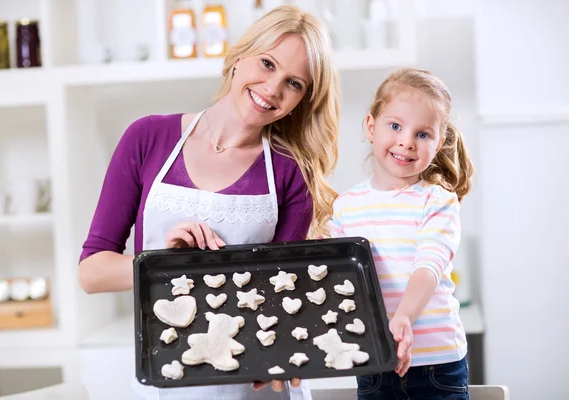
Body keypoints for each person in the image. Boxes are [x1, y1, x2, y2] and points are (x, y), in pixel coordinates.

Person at [78, 5, 340, 400]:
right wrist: (164, 263)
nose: (272, 89)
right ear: (239, 56)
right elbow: (92, 273)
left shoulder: (291, 171)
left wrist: (291, 349)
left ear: (302, 100)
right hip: (165, 372)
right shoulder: (147, 138)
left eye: (294, 83)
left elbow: (285, 294)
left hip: (256, 379)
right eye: (267, 64)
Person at [328, 67, 474, 400]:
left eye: (423, 134)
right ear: (370, 127)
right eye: (395, 126)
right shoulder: (346, 206)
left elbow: (429, 266)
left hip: (438, 363)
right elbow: (335, 279)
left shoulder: (437, 200)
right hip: (375, 362)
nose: (407, 141)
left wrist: (405, 316)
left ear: (438, 144)